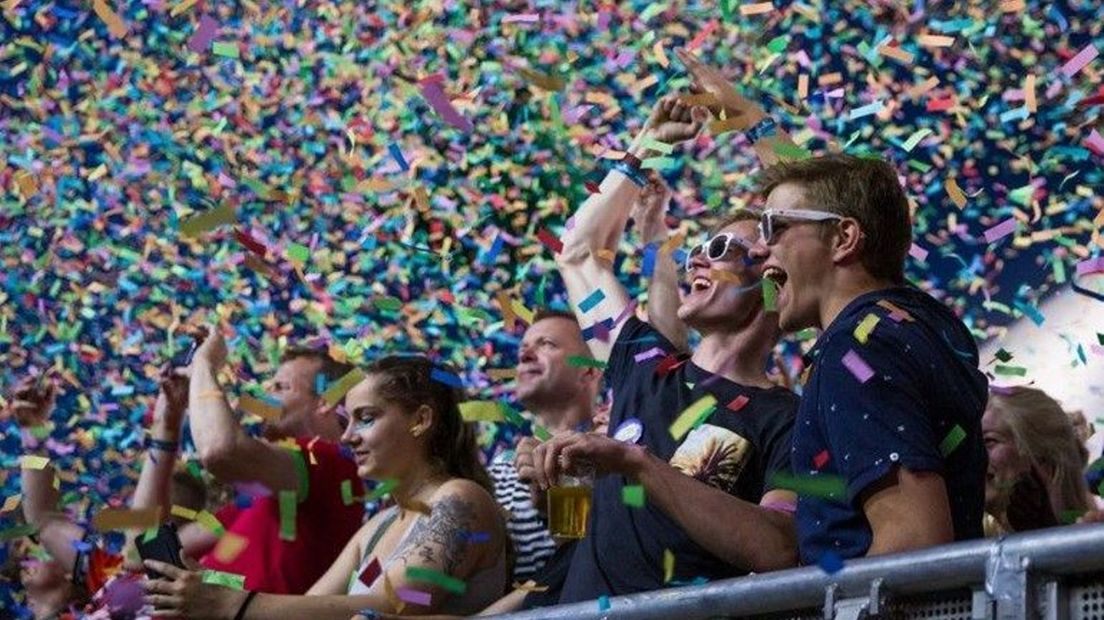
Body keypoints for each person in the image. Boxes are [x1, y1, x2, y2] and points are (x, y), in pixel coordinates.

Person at [528, 73, 800, 603]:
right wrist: (643, 149)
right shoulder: (643, 361)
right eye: (700, 246)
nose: (697, 256)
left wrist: (638, 464)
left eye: (720, 247)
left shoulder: (789, 418)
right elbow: (577, 253)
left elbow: (778, 548)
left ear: (770, 278)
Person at [748, 150, 989, 561]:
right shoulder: (917, 325)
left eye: (775, 227)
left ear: (843, 239)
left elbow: (914, 543)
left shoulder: (856, 348)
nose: (757, 248)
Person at [143, 355, 509, 618]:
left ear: (421, 420)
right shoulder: (378, 526)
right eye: (346, 421)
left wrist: (229, 604)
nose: (348, 437)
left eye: (366, 419)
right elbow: (313, 604)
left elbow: (395, 605)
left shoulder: (460, 499)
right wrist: (207, 583)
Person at [179, 327, 367, 594]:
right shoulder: (260, 497)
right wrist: (166, 422)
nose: (265, 399)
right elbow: (139, 554)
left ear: (326, 400)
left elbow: (220, 451)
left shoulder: (332, 463)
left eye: (281, 387)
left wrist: (204, 363)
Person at [983, 386, 1095, 534]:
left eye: (989, 441)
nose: (975, 454)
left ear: (1042, 458)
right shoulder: (967, 537)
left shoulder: (1093, 539)